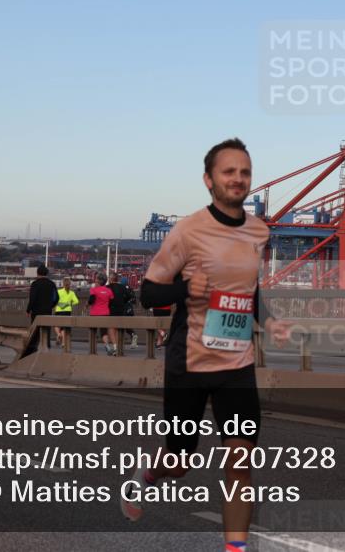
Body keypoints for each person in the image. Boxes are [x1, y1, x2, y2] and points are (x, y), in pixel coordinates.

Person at [121, 138, 291, 552]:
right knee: (179, 462)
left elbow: (248, 291)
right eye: (228, 171)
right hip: (190, 361)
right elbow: (148, 293)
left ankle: (235, 549)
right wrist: (183, 289)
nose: (238, 179)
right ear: (208, 180)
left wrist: (269, 322)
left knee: (240, 460)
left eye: (244, 172)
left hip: (237, 365)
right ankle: (147, 475)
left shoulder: (258, 231)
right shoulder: (188, 231)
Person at [23, 265, 58, 357]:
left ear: (38, 273)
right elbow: (56, 298)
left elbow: (32, 298)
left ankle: (32, 349)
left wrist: (28, 310)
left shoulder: (35, 284)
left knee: (34, 331)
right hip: (47, 311)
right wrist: (50, 306)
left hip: (36, 311)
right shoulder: (52, 284)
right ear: (46, 273)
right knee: (46, 329)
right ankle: (46, 347)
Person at [88, 273, 116, 355]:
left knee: (93, 331)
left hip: (94, 313)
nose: (95, 280)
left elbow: (91, 301)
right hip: (105, 313)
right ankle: (106, 345)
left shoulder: (93, 290)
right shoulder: (109, 290)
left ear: (98, 280)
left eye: (96, 279)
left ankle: (93, 350)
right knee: (104, 332)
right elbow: (112, 301)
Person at [107, 273, 135, 350]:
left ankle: (115, 346)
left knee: (112, 328)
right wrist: (123, 301)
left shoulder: (108, 287)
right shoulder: (122, 287)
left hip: (111, 309)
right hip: (121, 309)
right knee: (118, 327)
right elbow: (129, 296)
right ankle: (118, 346)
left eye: (109, 278)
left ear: (111, 279)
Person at [53, 277, 79, 346]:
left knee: (56, 325)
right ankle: (63, 343)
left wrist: (59, 304)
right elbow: (76, 301)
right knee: (64, 327)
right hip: (67, 311)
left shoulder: (59, 291)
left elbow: (54, 300)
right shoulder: (71, 293)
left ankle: (58, 334)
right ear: (70, 284)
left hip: (58, 310)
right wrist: (69, 304)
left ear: (63, 284)